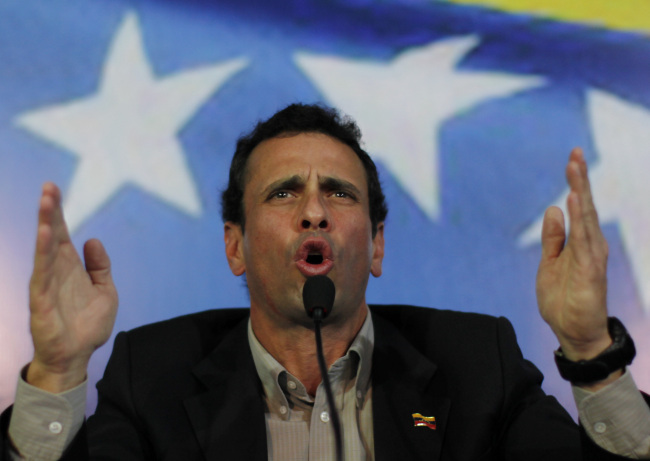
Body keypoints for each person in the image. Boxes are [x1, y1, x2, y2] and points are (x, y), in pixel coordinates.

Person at [2, 103, 649, 460]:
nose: (314, 209)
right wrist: (57, 372)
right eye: (286, 192)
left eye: (338, 192)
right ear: (235, 244)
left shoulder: (478, 363)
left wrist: (593, 354)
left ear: (377, 246)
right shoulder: (154, 374)